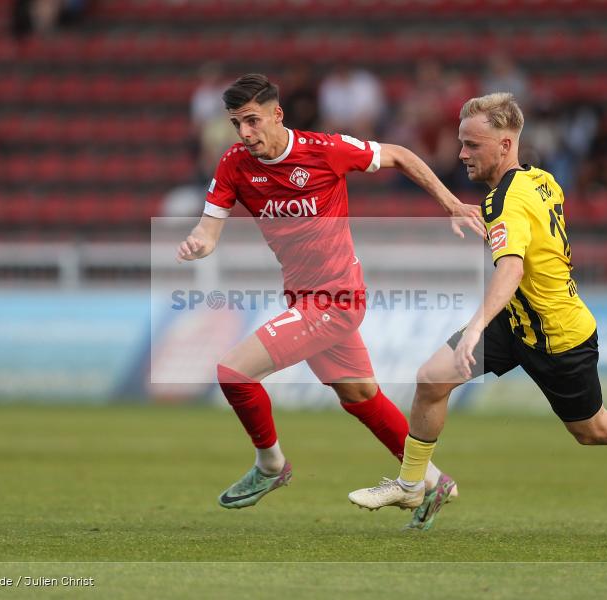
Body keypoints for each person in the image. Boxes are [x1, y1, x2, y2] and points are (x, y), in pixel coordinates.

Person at [348, 93, 607, 525]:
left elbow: (511, 269)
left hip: (558, 335)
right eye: (461, 143)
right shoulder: (542, 179)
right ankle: (413, 486)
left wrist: (473, 328)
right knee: (432, 378)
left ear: (505, 145)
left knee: (593, 430)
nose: (462, 154)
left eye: (472, 145)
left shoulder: (503, 201)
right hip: (518, 322)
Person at [176, 74, 485, 529]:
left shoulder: (324, 150)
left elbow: (398, 154)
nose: (245, 133)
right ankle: (434, 479)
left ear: (277, 114)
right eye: (236, 123)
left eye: (252, 121)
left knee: (233, 373)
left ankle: (270, 466)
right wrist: (200, 243)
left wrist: (450, 202)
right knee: (359, 395)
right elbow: (209, 226)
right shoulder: (234, 164)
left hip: (334, 300)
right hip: (304, 298)